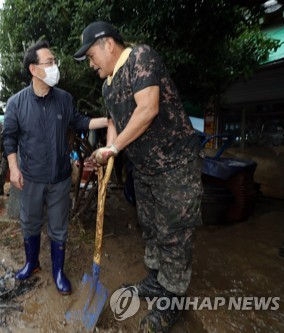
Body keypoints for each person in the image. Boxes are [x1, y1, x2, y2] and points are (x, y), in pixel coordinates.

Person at [74, 21, 203, 331]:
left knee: (173, 231)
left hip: (174, 164)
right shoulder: (107, 85)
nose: (91, 65)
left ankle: (171, 299)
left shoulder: (140, 58)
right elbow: (115, 122)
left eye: (91, 56)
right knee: (151, 227)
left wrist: (115, 148)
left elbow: (148, 109)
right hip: (143, 168)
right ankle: (157, 280)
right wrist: (108, 151)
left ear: (108, 44)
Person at [2, 40, 108, 295]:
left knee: (59, 226)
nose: (55, 67)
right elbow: (9, 138)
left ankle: (58, 272)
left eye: (54, 62)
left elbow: (80, 121)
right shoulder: (16, 103)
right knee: (30, 222)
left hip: (60, 178)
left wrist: (107, 120)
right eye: (49, 62)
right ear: (34, 69)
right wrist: (14, 169)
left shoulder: (64, 99)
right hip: (31, 178)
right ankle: (32, 263)